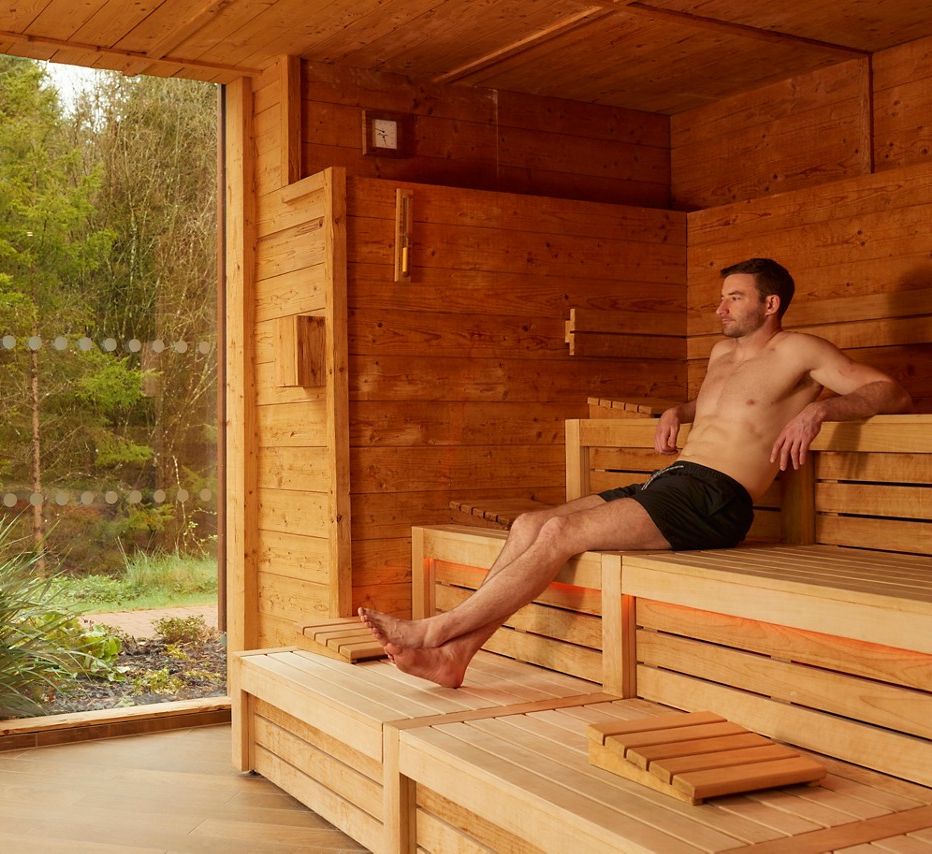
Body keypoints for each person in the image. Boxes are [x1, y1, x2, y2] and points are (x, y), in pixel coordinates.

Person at [359, 257, 912, 688]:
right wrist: (680, 411)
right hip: (674, 483)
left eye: (734, 298)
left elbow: (890, 388)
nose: (721, 309)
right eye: (721, 298)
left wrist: (819, 410)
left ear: (770, 303)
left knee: (558, 534)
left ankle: (436, 630)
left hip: (717, 500)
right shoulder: (723, 354)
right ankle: (455, 657)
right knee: (529, 523)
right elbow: (735, 409)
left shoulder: (802, 350)